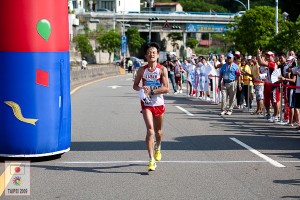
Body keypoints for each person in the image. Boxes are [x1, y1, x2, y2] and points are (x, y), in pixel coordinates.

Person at [133, 42, 169, 171]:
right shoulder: (142, 70)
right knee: (150, 130)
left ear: (158, 55)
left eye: (154, 52)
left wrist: (152, 91)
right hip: (146, 103)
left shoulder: (162, 69)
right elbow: (135, 85)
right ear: (146, 56)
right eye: (149, 53)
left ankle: (158, 147)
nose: (152, 54)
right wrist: (142, 89)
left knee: (158, 132)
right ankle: (151, 160)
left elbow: (166, 89)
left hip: (158, 103)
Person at [257, 50, 280, 121]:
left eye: (268, 56)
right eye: (266, 55)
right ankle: (273, 114)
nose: (267, 57)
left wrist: (258, 55)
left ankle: (276, 115)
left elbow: (260, 62)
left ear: (272, 56)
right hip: (270, 84)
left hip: (275, 84)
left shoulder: (272, 63)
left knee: (275, 101)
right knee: (271, 100)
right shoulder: (270, 63)